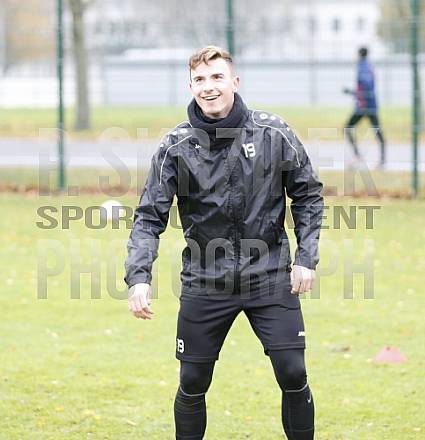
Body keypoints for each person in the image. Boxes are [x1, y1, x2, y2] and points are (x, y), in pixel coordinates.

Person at [125, 45, 324, 440]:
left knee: (293, 371)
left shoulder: (273, 132)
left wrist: (306, 257)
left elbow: (308, 195)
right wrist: (139, 276)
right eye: (200, 79)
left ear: (235, 81)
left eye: (217, 77)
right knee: (193, 379)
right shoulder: (176, 146)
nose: (209, 86)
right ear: (191, 87)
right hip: (205, 279)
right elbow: (149, 216)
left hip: (269, 275)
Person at [343, 46, 386, 168]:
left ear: (359, 54)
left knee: (348, 128)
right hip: (371, 104)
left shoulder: (362, 68)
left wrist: (351, 93)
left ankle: (358, 155)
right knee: (377, 130)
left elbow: (365, 88)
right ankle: (382, 159)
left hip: (363, 106)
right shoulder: (370, 67)